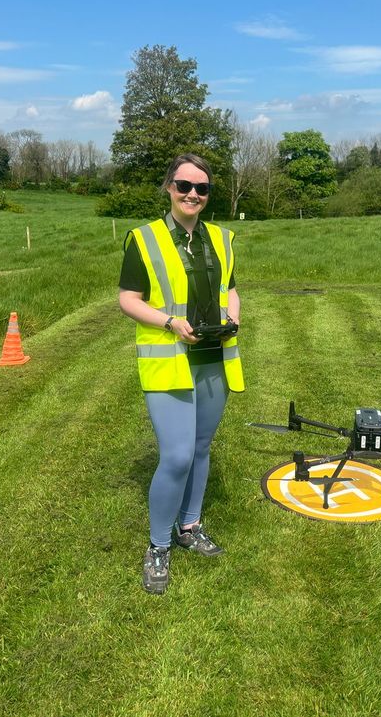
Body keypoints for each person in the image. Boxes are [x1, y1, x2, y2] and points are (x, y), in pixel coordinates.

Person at [117, 153, 244, 595]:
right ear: (169, 188)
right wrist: (169, 322)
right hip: (169, 358)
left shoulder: (223, 239)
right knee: (175, 455)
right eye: (184, 185)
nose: (193, 194)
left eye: (202, 188)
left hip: (214, 355)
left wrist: (233, 313)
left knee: (201, 447)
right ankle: (158, 546)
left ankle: (189, 526)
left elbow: (230, 286)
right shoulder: (144, 238)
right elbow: (128, 299)